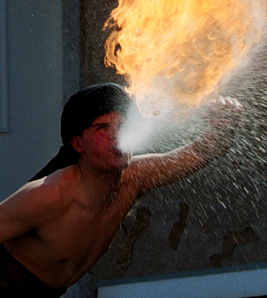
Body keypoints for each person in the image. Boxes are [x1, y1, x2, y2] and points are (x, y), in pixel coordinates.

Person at [0, 83, 241, 297]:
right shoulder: (47, 195)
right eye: (102, 127)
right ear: (77, 144)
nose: (116, 135)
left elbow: (202, 151)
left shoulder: (134, 179)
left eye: (123, 124)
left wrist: (223, 125)